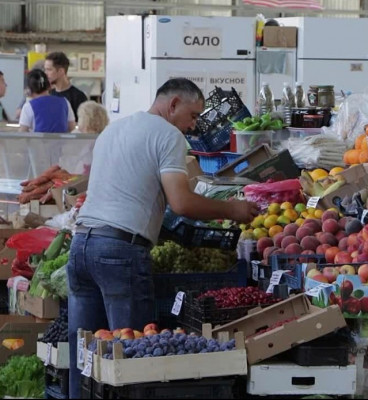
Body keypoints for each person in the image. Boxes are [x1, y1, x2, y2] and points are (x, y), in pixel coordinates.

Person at [67, 78, 259, 398]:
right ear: (173, 105)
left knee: (85, 356)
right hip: (120, 253)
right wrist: (233, 209)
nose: (194, 125)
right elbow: (181, 203)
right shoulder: (168, 134)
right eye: (193, 115)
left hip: (82, 246)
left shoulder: (114, 129)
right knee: (134, 360)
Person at [44, 51, 88, 119]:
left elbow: (83, 124)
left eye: (49, 70)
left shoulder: (79, 97)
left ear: (61, 71)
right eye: (45, 70)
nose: (45, 73)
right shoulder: (48, 94)